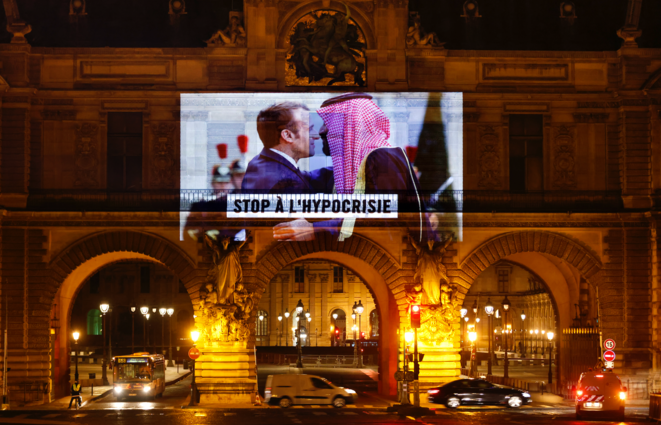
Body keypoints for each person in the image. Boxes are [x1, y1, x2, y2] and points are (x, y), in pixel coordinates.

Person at [274, 93, 434, 242]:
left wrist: (314, 230)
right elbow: (299, 182)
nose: (321, 131)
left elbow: (384, 221)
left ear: (350, 125)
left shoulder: (383, 159)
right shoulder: (347, 171)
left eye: (327, 123)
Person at [242, 101, 331, 194]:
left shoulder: (261, 162)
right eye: (310, 129)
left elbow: (306, 177)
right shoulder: (287, 184)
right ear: (287, 136)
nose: (316, 136)